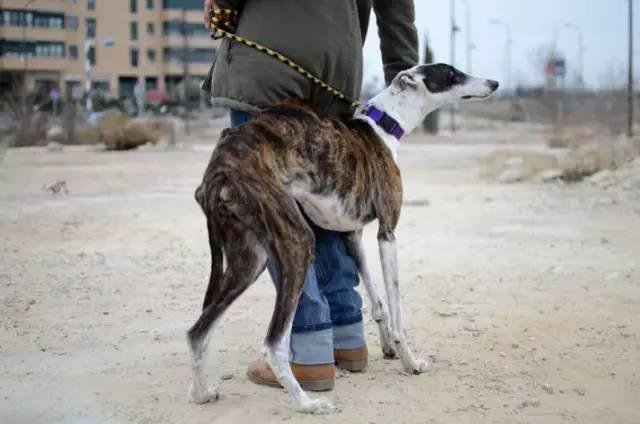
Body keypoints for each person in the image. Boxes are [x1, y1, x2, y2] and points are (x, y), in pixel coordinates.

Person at [202, 0, 418, 391]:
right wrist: (402, 76)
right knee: (324, 202)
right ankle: (346, 335)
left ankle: (309, 348)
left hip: (269, 56)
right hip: (336, 68)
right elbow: (396, 7)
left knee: (271, 212)